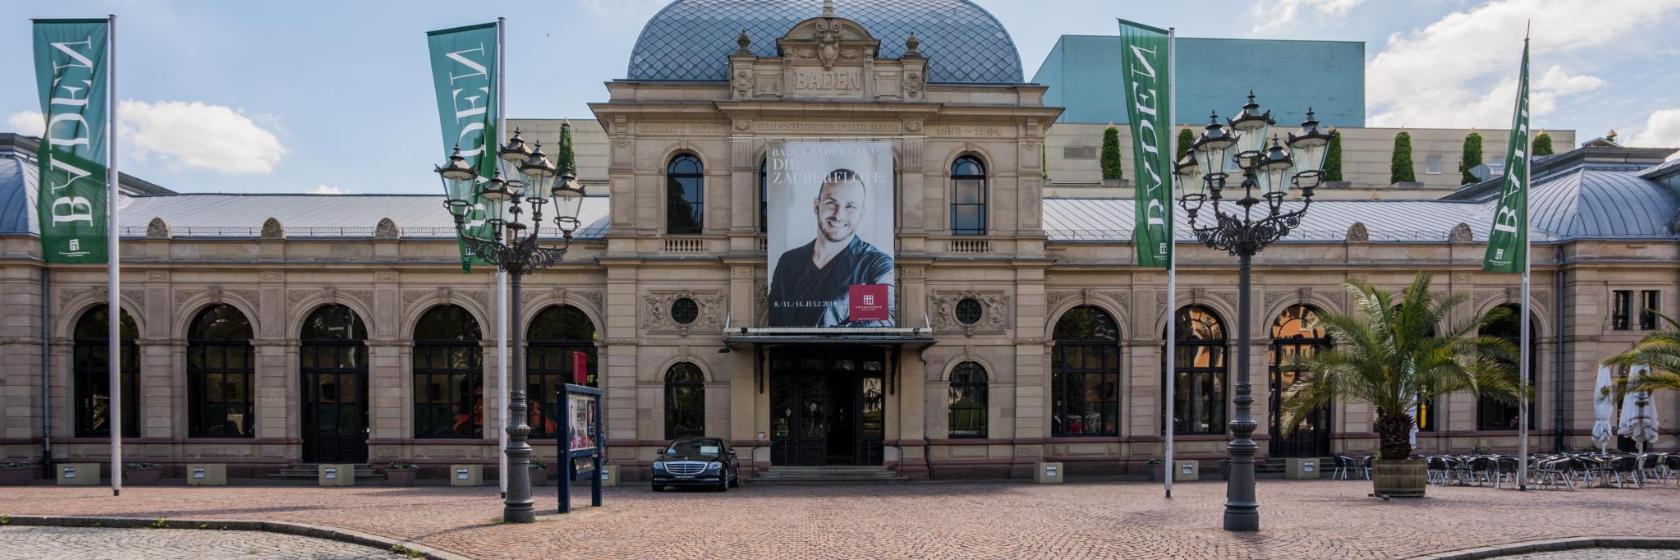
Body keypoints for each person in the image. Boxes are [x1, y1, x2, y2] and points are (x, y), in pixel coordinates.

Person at [767, 168, 895, 327]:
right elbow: (775, 324)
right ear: (816, 206)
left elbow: (877, 322)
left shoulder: (873, 265)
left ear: (861, 213)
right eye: (831, 203)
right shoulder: (788, 262)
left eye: (850, 206)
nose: (839, 215)